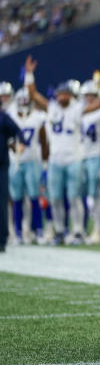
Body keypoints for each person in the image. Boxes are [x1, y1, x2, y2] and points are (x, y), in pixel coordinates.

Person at [24, 56, 100, 245]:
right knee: (55, 198)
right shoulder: (51, 108)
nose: (62, 97)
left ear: (71, 95)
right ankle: (60, 231)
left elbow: (99, 104)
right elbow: (33, 95)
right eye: (60, 94)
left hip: (74, 158)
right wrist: (29, 75)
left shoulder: (77, 109)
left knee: (74, 197)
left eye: (66, 94)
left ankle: (77, 231)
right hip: (55, 160)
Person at [7, 88, 47, 244]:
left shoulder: (38, 117)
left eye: (26, 101)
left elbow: (43, 141)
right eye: (21, 101)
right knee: (16, 198)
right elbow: (7, 138)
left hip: (32, 161)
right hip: (15, 162)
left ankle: (38, 231)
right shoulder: (10, 115)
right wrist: (14, 147)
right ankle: (17, 232)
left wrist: (44, 162)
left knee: (34, 197)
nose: (23, 104)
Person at [80, 79, 100, 245]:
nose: (89, 98)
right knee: (82, 195)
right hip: (80, 157)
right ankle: (82, 228)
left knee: (97, 195)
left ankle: (98, 228)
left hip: (95, 156)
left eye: (92, 95)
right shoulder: (78, 112)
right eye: (87, 95)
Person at [0, 99, 24, 253]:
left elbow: (17, 132)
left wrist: (18, 144)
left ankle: (2, 239)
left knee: (2, 202)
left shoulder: (2, 117)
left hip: (1, 165)